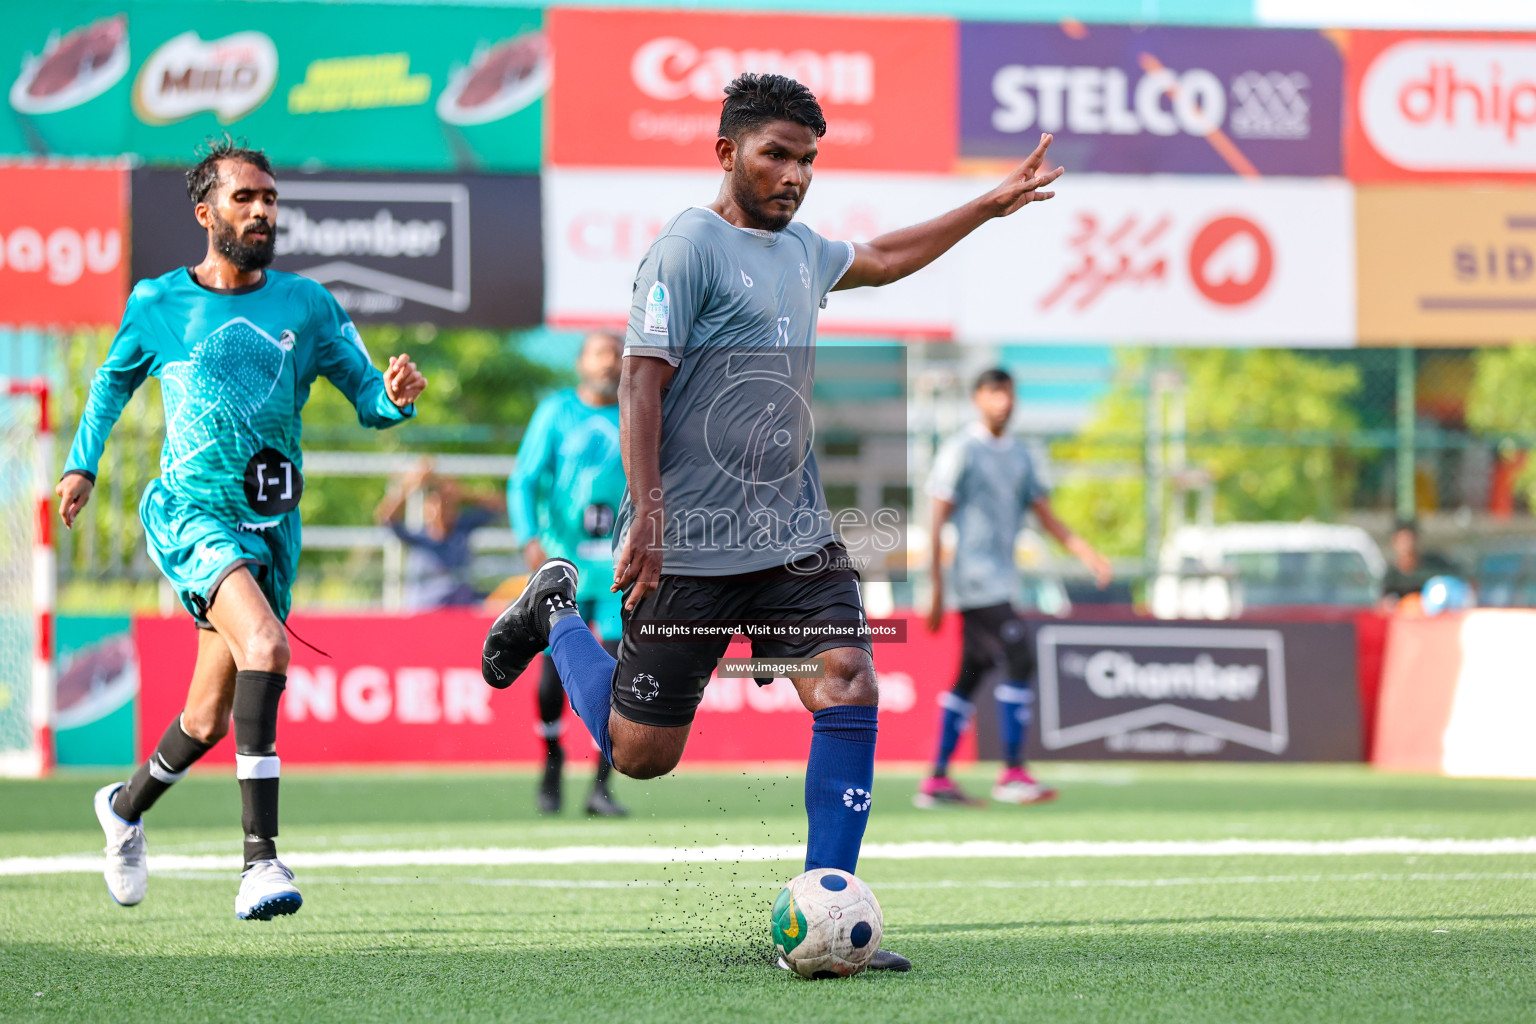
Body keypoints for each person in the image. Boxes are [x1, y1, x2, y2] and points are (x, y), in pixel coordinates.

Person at [480, 73, 1063, 974]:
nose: (795, 175)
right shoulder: (687, 248)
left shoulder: (800, 252)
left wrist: (985, 207)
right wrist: (653, 516)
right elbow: (641, 381)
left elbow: (881, 255)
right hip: (691, 549)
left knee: (846, 680)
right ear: (727, 152)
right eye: (777, 155)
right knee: (639, 757)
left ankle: (829, 910)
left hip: (795, 542)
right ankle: (555, 611)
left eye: (808, 161)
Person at [57, 138, 426, 920]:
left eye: (270, 199)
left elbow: (367, 398)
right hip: (192, 515)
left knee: (205, 718)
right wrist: (82, 465)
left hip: (271, 526)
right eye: (243, 198)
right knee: (266, 647)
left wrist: (396, 395)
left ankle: (123, 810)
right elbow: (109, 383)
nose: (261, 211)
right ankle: (260, 863)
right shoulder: (158, 304)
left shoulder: (308, 305)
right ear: (205, 213)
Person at [917, 368, 1111, 809]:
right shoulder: (960, 450)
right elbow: (936, 518)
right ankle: (1012, 771)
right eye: (993, 394)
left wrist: (1086, 552)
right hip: (974, 579)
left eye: (1007, 394)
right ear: (977, 399)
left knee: (971, 674)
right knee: (1020, 653)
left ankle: (937, 781)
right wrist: (935, 587)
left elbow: (1046, 514)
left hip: (1003, 580)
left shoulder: (1022, 455)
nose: (1002, 402)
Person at [505, 331, 628, 816]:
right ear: (581, 362)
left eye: (617, 354)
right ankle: (552, 767)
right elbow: (524, 479)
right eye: (600, 354)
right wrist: (527, 537)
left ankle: (602, 788)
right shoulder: (557, 411)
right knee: (553, 677)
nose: (609, 362)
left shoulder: (638, 409)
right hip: (565, 567)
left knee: (621, 675)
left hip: (622, 568)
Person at [375, 459, 503, 610]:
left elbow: (499, 505)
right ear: (426, 509)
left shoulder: (462, 528)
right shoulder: (418, 536)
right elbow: (386, 517)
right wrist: (411, 485)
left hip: (461, 605)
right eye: (437, 504)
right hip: (427, 607)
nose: (443, 510)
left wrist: (462, 493)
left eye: (448, 505)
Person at [1380, 518, 1459, 605]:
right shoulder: (1391, 576)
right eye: (1402, 540)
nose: (1407, 544)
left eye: (1409, 538)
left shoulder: (1434, 565)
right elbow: (1385, 603)